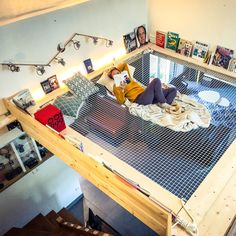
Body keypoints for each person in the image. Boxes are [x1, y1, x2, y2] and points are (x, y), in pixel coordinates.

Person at [108, 67, 177, 106]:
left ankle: (166, 104)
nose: (117, 74)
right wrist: (122, 90)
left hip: (147, 95)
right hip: (140, 99)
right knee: (156, 80)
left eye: (118, 73)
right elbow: (121, 101)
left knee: (173, 90)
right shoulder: (116, 87)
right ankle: (163, 102)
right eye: (114, 75)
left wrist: (115, 66)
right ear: (113, 78)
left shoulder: (127, 78)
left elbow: (124, 65)